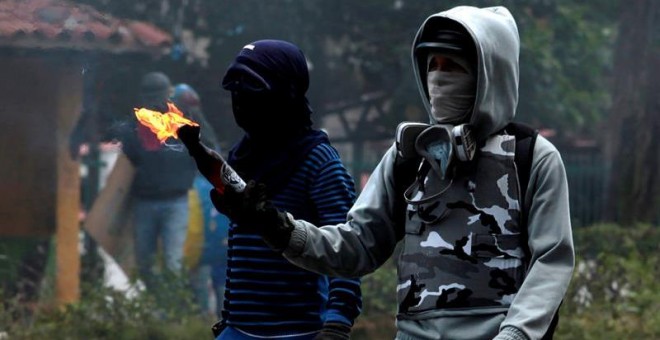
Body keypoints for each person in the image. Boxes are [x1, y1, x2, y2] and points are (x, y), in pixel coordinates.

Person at [210, 7, 575, 340]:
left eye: (453, 67)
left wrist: (515, 335)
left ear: (489, 72)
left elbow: (552, 261)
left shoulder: (532, 158)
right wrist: (280, 229)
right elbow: (356, 246)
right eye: (433, 64)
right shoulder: (408, 157)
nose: (438, 77)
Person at [202, 39, 363, 340]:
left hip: (299, 331)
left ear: (286, 94)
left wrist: (338, 322)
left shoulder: (318, 162)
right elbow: (241, 253)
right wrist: (228, 320)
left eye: (252, 91)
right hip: (239, 330)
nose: (241, 101)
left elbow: (347, 250)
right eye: (236, 92)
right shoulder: (241, 157)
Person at [121, 72, 197, 290]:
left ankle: (170, 312)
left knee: (171, 263)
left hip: (174, 200)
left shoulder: (183, 118)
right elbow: (129, 156)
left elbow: (205, 146)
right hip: (148, 200)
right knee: (146, 263)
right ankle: (160, 310)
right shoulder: (137, 124)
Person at [173, 84, 230, 317]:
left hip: (197, 200)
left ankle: (204, 314)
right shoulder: (203, 128)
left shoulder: (178, 129)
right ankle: (218, 314)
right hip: (211, 201)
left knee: (202, 261)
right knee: (215, 262)